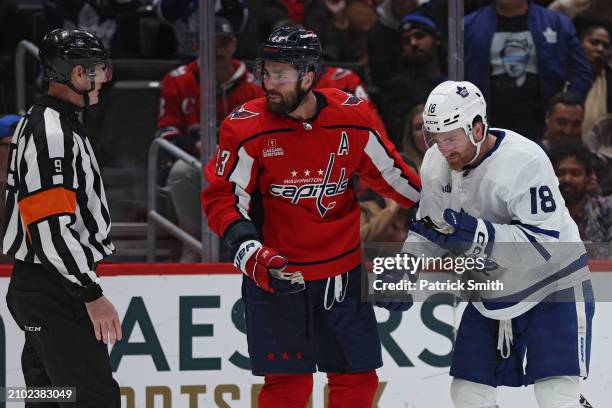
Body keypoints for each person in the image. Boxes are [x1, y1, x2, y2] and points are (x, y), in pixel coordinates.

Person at [202, 27, 421, 407]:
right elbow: (221, 198)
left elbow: (401, 183)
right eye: (266, 72)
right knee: (288, 387)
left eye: (281, 75)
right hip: (278, 274)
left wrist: (417, 250)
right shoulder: (245, 127)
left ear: (308, 75)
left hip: (343, 275)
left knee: (357, 380)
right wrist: (249, 249)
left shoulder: (352, 117)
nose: (269, 83)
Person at [405, 80, 594, 408]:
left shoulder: (526, 161)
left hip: (554, 284)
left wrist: (477, 235)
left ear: (478, 128)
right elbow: (429, 228)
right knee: (468, 393)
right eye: (435, 139)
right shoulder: (437, 163)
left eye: (451, 138)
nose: (443, 148)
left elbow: (544, 245)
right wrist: (401, 273)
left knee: (556, 397)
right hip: (493, 289)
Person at [3, 29, 121, 406]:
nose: (102, 78)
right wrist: (90, 292)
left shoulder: (48, 122)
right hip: (55, 290)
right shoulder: (53, 134)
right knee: (94, 398)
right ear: (73, 74)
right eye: (96, 70)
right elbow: (49, 228)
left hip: (41, 286)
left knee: (51, 397)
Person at [157, 16, 263, 261]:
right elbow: (165, 132)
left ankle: (249, 246)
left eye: (223, 42)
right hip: (197, 161)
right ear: (196, 47)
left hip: (246, 164)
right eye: (209, 43)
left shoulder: (256, 84)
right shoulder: (177, 79)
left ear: (234, 45)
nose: (217, 50)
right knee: (182, 171)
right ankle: (194, 247)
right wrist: (197, 146)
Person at [464, 0, 592, 140]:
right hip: (486, 127)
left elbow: (581, 72)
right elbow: (455, 75)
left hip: (543, 128)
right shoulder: (469, 26)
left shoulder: (557, 23)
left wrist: (566, 107)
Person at [550, 140, 612, 248]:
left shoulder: (605, 210)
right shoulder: (538, 215)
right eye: (560, 173)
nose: (567, 179)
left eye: (575, 173)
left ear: (589, 178)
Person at [574, 15, 612, 136]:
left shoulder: (610, 81)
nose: (600, 49)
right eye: (594, 42)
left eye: (606, 46)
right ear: (579, 43)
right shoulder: (560, 75)